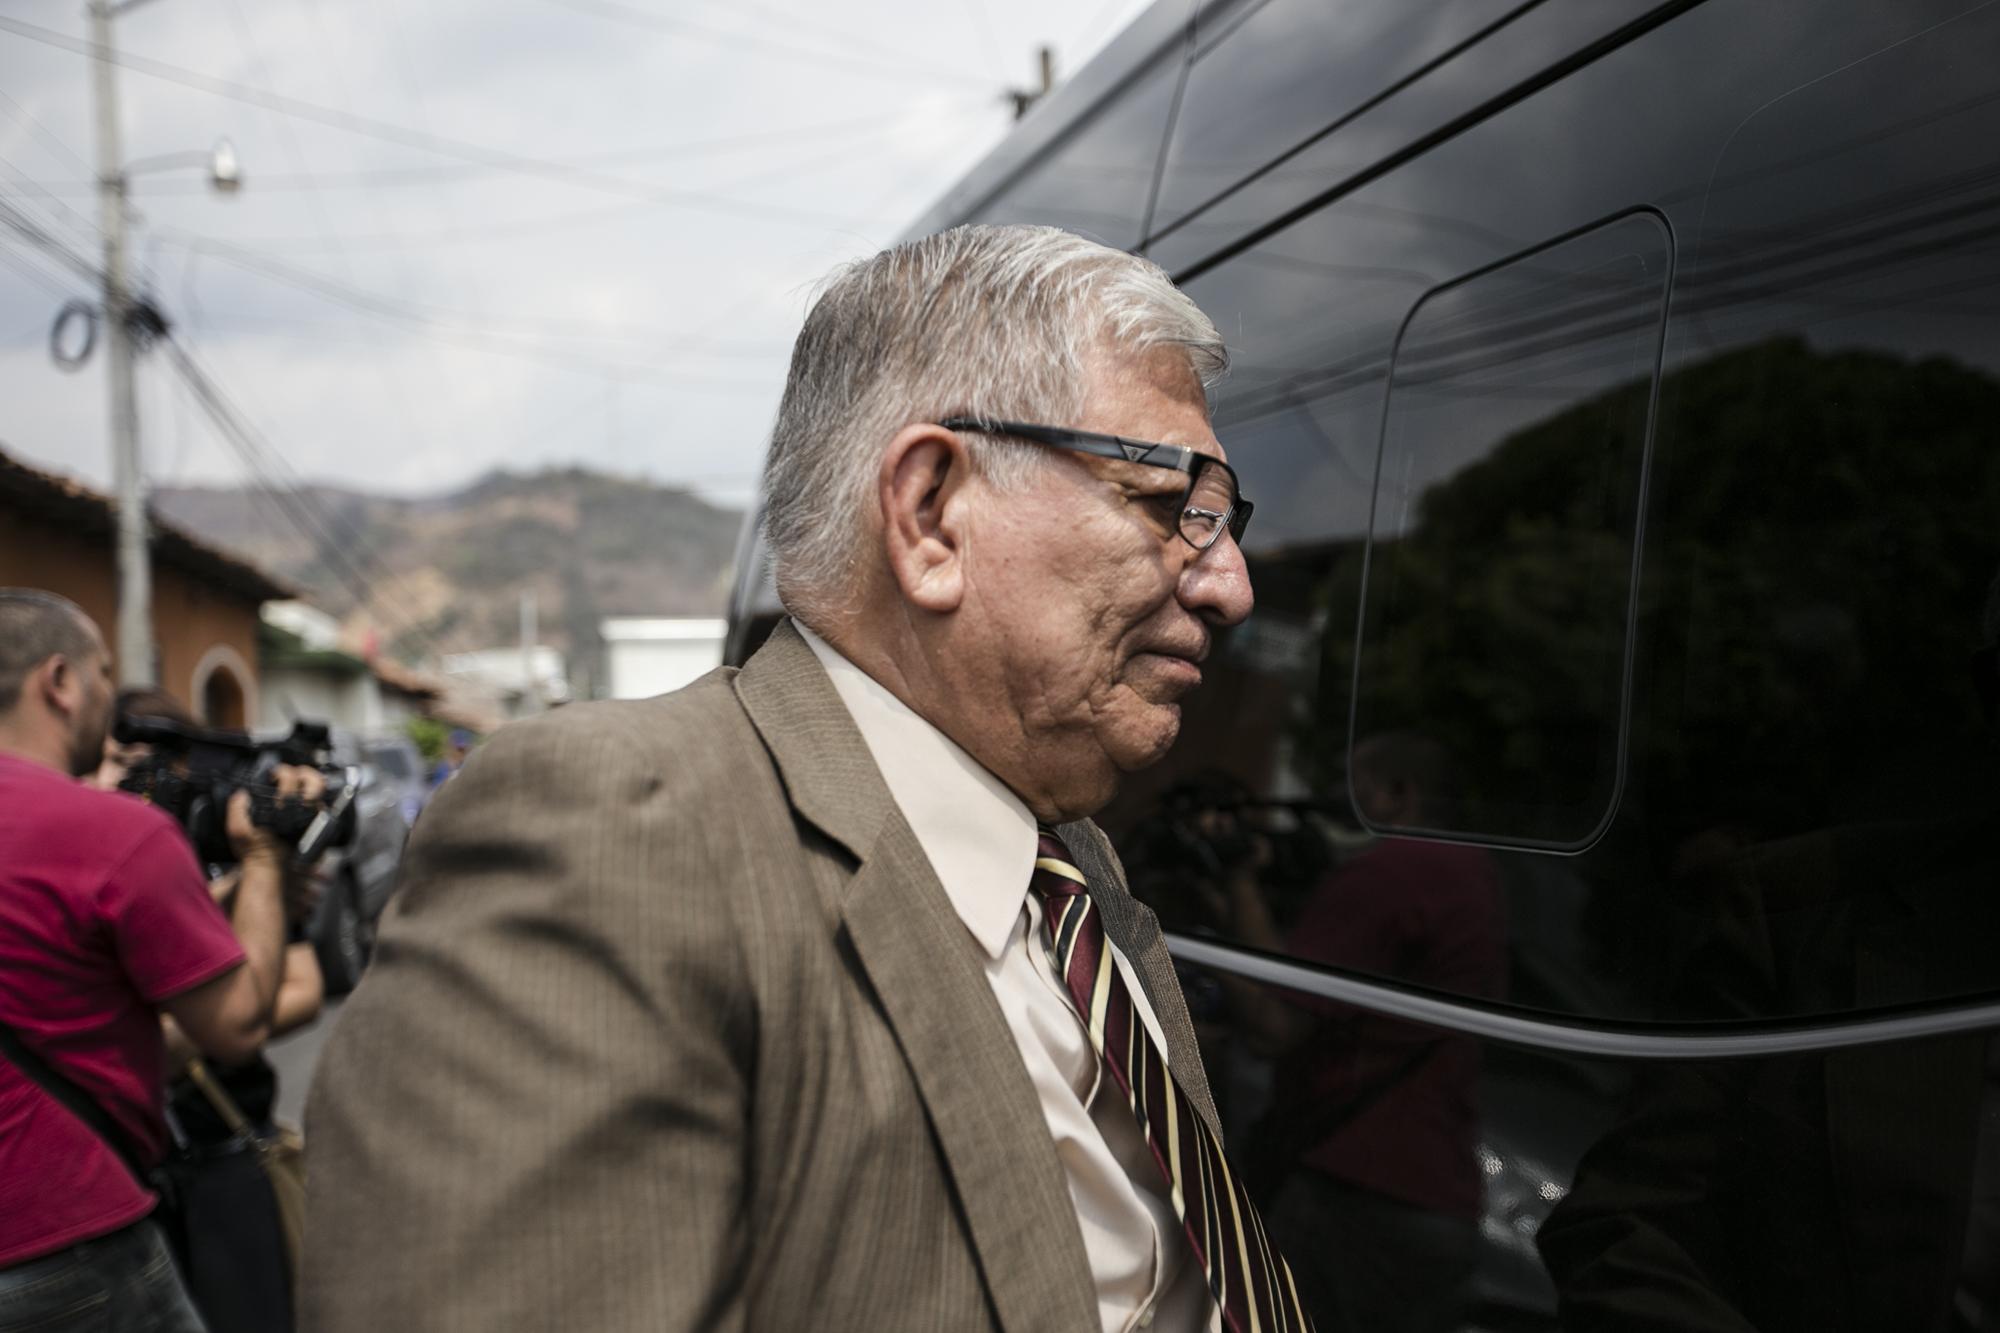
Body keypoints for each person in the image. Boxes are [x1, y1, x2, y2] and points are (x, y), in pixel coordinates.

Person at [305, 225, 1308, 1331]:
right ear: (930, 513)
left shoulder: (1067, 864)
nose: (1228, 584)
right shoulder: (618, 838)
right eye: (1174, 505)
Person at [0, 590, 306, 1330]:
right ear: (60, 682)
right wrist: (264, 857)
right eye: (103, 673)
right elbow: (236, 1024)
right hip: (69, 1240)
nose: (111, 696)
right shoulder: (111, 833)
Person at [93, 686, 325, 1333]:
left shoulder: (228, 847)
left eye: (151, 761)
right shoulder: (80, 857)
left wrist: (192, 1032)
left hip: (221, 1148)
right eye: (118, 757)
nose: (131, 777)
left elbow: (302, 987)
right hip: (119, 1175)